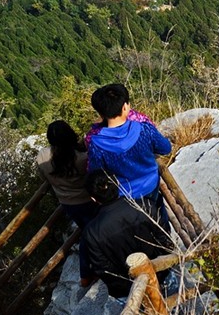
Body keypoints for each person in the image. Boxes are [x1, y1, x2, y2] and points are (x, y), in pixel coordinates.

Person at [86, 83, 173, 229]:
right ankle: (166, 238)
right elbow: (165, 148)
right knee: (159, 217)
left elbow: (96, 173)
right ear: (125, 107)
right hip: (151, 185)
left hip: (124, 196)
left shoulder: (96, 144)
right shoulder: (144, 129)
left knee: (137, 228)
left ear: (100, 114)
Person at [79, 169, 175, 298]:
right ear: (118, 184)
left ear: (93, 199)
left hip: (130, 291)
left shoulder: (91, 233)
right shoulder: (145, 206)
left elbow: (105, 271)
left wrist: (129, 288)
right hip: (163, 273)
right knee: (176, 303)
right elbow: (166, 241)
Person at [36, 120, 100, 230]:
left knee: (88, 230)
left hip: (67, 203)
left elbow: (43, 177)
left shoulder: (42, 156)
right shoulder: (82, 158)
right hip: (90, 200)